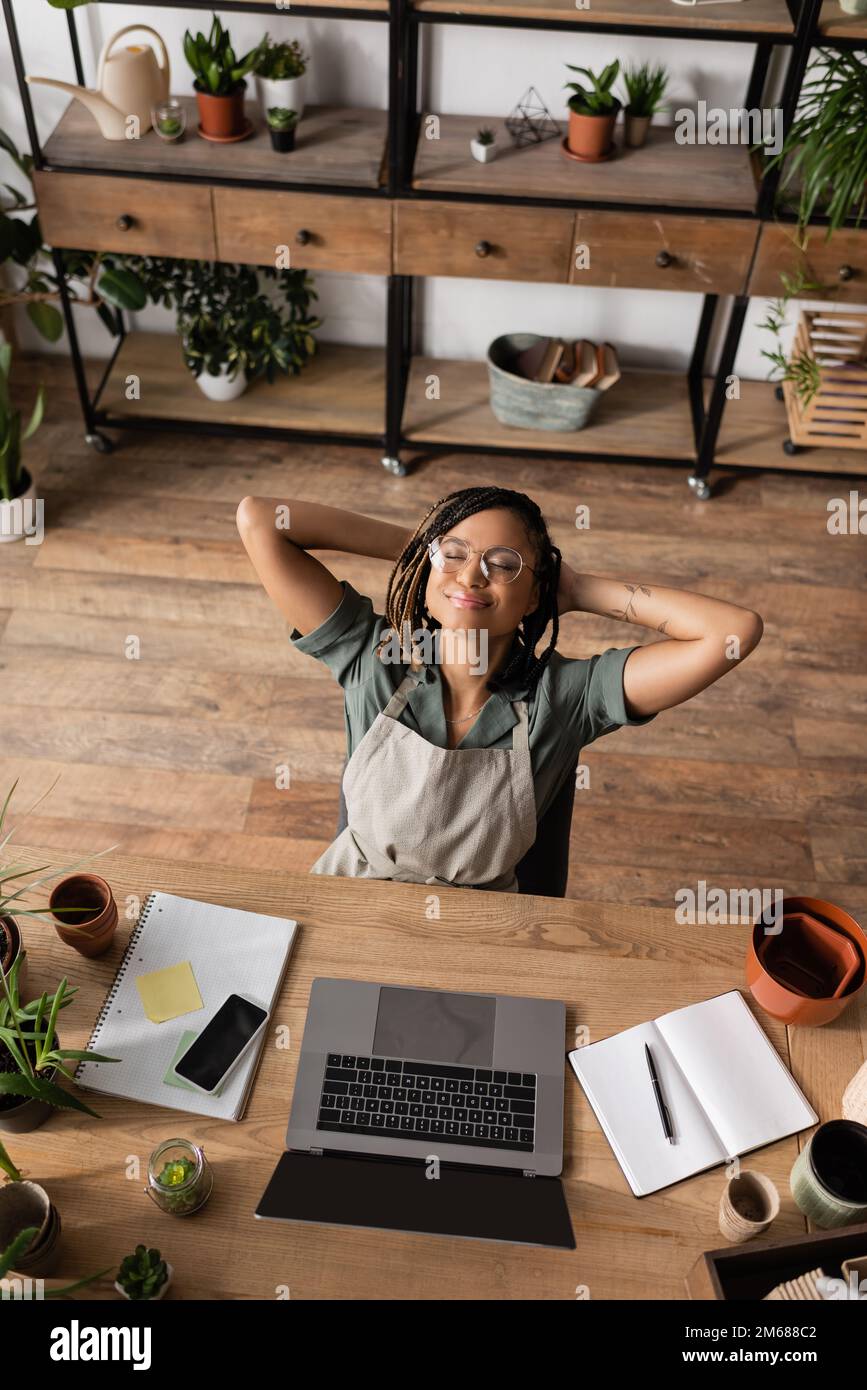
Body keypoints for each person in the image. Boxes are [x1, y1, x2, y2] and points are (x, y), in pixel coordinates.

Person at [236, 485, 762, 892]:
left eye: (503, 564)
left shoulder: (566, 698)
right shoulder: (373, 659)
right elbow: (260, 521)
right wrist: (424, 547)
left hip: (482, 945)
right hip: (346, 912)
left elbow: (732, 633)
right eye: (456, 555)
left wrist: (576, 588)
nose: (471, 578)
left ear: (535, 595)